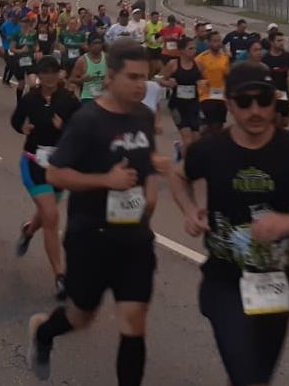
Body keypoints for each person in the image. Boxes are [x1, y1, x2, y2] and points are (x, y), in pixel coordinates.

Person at [170, 61, 289, 386]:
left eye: (263, 100)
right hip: (224, 281)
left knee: (257, 377)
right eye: (244, 102)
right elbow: (178, 176)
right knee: (248, 377)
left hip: (275, 284)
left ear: (274, 100)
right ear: (230, 104)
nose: (256, 110)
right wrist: (190, 209)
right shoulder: (210, 149)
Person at [27, 41, 160, 384]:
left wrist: (151, 190)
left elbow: (148, 164)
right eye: (132, 77)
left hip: (135, 238)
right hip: (91, 237)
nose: (140, 85)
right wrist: (106, 180)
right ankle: (44, 334)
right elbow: (55, 173)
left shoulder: (144, 116)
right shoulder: (87, 120)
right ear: (110, 77)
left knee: (134, 322)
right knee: (81, 315)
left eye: (144, 78)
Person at [13, 56, 81, 300]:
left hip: (59, 165)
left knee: (46, 215)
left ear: (59, 74)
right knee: (51, 215)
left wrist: (65, 127)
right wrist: (24, 129)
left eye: (54, 72)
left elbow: (80, 128)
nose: (49, 76)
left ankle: (29, 230)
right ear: (39, 74)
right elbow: (15, 120)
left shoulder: (69, 99)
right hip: (33, 163)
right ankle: (60, 276)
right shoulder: (30, 98)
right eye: (45, 72)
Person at [160, 36, 203, 160]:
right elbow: (161, 79)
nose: (194, 51)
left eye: (195, 48)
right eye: (190, 48)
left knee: (195, 141)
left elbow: (203, 80)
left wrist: (203, 84)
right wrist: (168, 83)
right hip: (177, 105)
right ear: (182, 50)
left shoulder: (199, 65)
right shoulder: (173, 64)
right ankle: (185, 171)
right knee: (188, 141)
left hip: (193, 104)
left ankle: (180, 149)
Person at [195, 31, 231, 135]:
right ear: (209, 43)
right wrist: (201, 82)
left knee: (219, 125)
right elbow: (195, 76)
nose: (218, 43)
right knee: (210, 125)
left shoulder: (225, 58)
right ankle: (196, 143)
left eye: (219, 41)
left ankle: (211, 146)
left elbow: (227, 76)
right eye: (215, 41)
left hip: (221, 96)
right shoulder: (201, 58)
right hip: (206, 96)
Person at [262, 31, 289, 129]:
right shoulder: (265, 58)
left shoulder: (287, 56)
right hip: (271, 94)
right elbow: (260, 76)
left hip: (284, 93)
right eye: (279, 40)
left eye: (282, 40)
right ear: (272, 42)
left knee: (285, 122)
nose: (282, 43)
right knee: (275, 120)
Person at [70, 33, 107, 101]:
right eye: (95, 43)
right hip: (88, 97)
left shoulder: (108, 58)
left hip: (104, 97)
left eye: (99, 43)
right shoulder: (82, 61)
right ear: (89, 45)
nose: (97, 46)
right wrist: (82, 80)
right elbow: (72, 79)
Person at [144, 11, 165, 75]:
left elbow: (163, 34)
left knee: (160, 65)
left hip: (158, 47)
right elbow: (145, 35)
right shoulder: (147, 24)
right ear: (151, 17)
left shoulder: (160, 24)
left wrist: (162, 39)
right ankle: (149, 77)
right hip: (150, 48)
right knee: (151, 66)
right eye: (154, 17)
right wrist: (148, 40)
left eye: (157, 17)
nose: (156, 19)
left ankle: (159, 77)